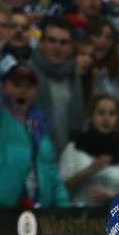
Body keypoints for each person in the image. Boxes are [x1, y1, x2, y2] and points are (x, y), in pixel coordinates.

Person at [0, 55, 69, 210]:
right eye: (17, 85)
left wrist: (64, 207)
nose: (23, 90)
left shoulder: (40, 128)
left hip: (33, 214)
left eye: (29, 86)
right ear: (2, 87)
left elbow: (52, 174)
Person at [60, 94, 119, 206]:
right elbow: (59, 189)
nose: (106, 118)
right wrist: (90, 170)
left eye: (112, 114)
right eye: (101, 113)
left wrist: (113, 196)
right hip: (77, 212)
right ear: (90, 117)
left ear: (118, 119)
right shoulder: (74, 147)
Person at [30, 18, 84, 154]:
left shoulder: (74, 77)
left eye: (63, 42)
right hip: (35, 154)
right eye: (51, 40)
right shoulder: (27, 74)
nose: (57, 47)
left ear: (71, 48)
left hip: (68, 155)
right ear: (41, 43)